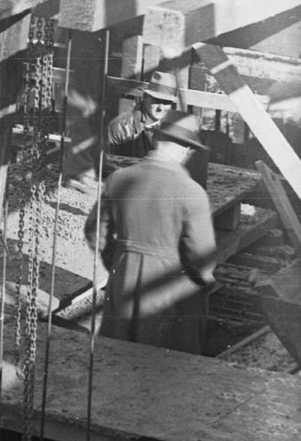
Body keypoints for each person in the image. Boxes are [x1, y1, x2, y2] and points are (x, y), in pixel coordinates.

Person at [86, 110, 218, 353]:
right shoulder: (192, 191)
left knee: (117, 357)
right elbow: (202, 258)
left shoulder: (118, 179)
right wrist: (204, 283)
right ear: (185, 150)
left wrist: (119, 262)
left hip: (124, 279)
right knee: (166, 366)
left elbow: (95, 233)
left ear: (155, 140)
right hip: (171, 291)